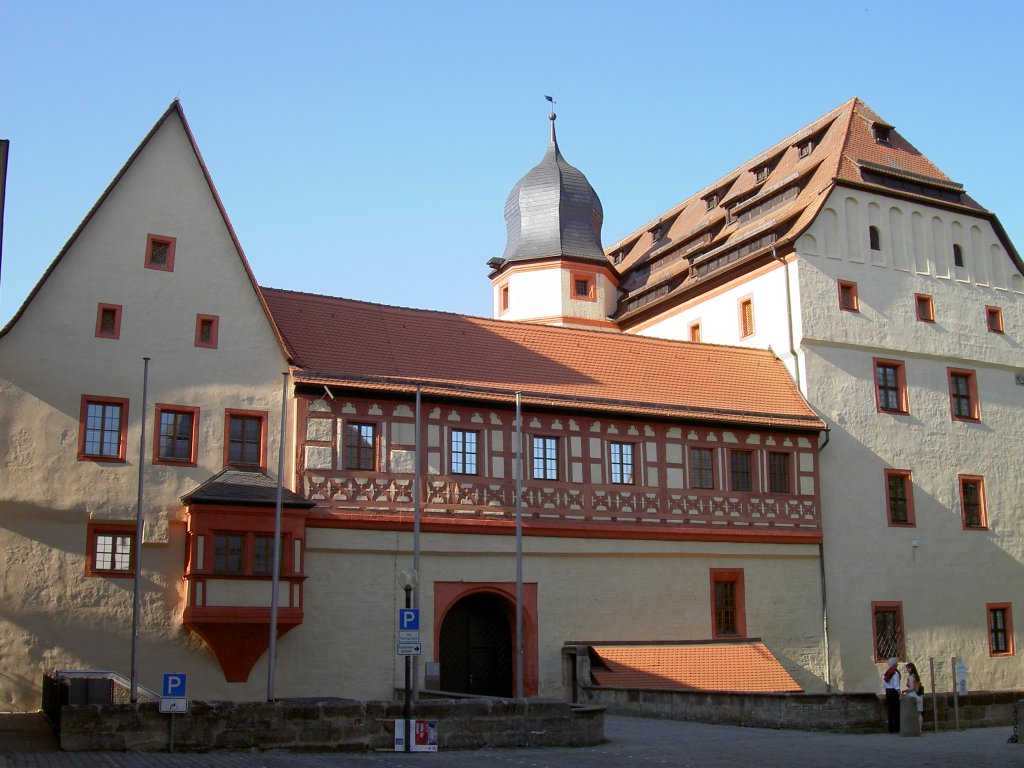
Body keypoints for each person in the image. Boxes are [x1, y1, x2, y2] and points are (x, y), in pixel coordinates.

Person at [882, 657, 901, 732]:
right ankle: (897, 727)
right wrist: (900, 694)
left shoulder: (886, 672)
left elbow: (884, 685)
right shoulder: (895, 673)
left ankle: (890, 728)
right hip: (893, 693)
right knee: (896, 710)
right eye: (896, 663)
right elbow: (897, 686)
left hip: (888, 692)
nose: (897, 664)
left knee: (890, 710)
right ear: (894, 664)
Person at [904, 662, 924, 731]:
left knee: (910, 713)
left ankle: (912, 728)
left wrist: (905, 690)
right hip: (919, 696)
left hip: (913, 696)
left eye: (908, 668)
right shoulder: (916, 676)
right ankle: (920, 729)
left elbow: (912, 688)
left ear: (911, 668)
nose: (907, 670)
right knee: (919, 714)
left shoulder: (911, 677)